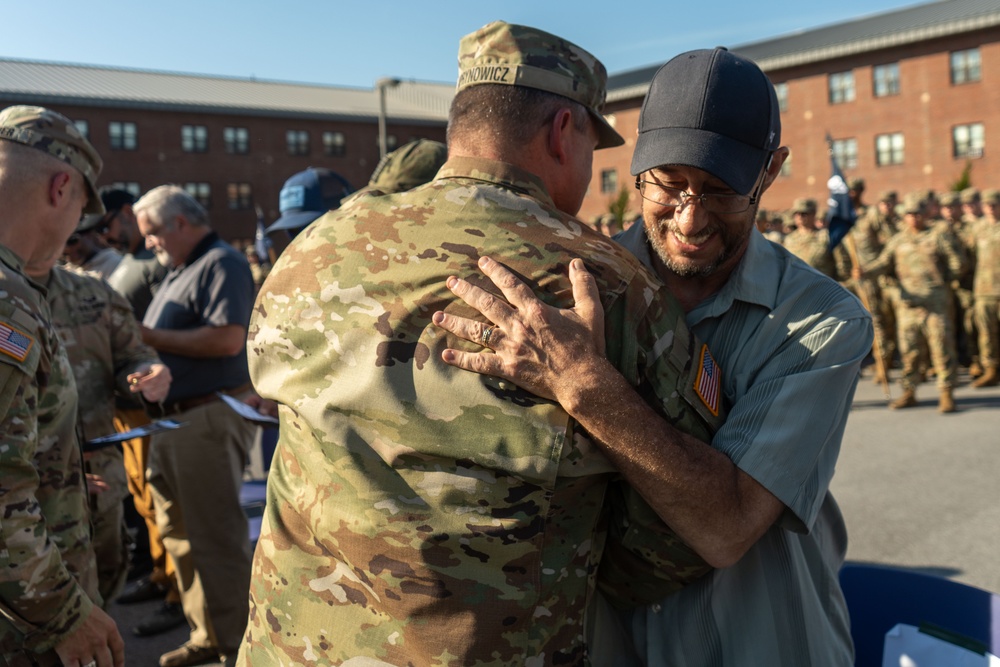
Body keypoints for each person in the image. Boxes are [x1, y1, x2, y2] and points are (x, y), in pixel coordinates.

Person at [240, 21, 726, 666]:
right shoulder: (602, 281)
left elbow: (276, 403)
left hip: (289, 648)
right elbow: (682, 528)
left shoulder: (316, 245)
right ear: (563, 130)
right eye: (592, 144)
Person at [434, 47, 873, 666]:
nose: (690, 218)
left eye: (720, 190)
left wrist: (585, 383)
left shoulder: (819, 322)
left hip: (762, 644)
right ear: (638, 163)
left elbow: (729, 523)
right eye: (669, 183)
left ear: (771, 172)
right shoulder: (572, 283)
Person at [0, 105, 125, 666]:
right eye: (81, 208)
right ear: (62, 187)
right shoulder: (9, 303)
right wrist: (64, 614)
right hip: (26, 625)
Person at [134, 185, 257, 667]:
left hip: (205, 418)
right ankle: (208, 634)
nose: (148, 244)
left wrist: (144, 336)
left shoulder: (220, 263)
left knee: (215, 540)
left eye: (152, 233)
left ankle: (239, 648)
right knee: (180, 537)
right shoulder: (182, 269)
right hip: (173, 422)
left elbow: (229, 340)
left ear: (181, 223)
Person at [23, 254, 172, 608]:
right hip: (22, 491)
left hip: (99, 480)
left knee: (102, 590)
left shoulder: (92, 292)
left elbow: (132, 354)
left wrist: (147, 373)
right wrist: (51, 469)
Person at [856, 193, 963, 411]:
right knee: (909, 350)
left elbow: (958, 263)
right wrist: (865, 272)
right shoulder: (898, 240)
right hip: (908, 306)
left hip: (935, 304)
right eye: (909, 214)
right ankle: (909, 391)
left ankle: (946, 393)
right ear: (904, 217)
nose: (913, 218)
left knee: (941, 348)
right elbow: (883, 263)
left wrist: (943, 285)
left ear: (925, 214)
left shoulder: (938, 236)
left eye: (917, 214)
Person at [968, 189, 1000, 387]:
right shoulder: (977, 228)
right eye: (987, 205)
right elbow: (969, 255)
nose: (990, 208)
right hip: (984, 289)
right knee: (986, 333)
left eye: (994, 204)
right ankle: (991, 369)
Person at [782, 197, 850, 281]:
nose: (800, 217)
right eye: (796, 214)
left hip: (822, 287)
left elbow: (843, 264)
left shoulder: (826, 236)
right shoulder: (789, 240)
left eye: (804, 214)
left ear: (813, 214)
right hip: (797, 286)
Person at [63, 213, 123, 279]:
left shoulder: (114, 263)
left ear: (90, 235)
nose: (66, 249)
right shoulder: (66, 273)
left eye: (72, 241)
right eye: (62, 244)